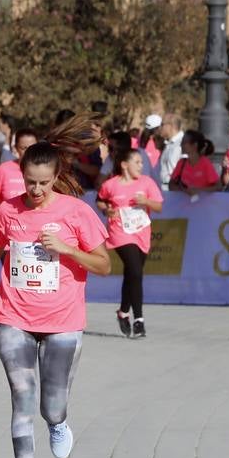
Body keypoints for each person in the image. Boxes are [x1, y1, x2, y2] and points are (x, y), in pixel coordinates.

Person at [0, 116, 111, 458]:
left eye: (43, 183)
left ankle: (58, 422)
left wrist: (67, 249)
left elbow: (104, 266)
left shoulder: (76, 212)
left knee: (51, 404)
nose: (35, 190)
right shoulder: (7, 211)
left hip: (63, 319)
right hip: (13, 314)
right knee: (21, 398)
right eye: (29, 181)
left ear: (56, 177)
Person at [98, 145, 163, 339]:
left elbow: (158, 206)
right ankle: (139, 320)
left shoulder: (147, 183)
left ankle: (123, 311)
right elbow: (100, 200)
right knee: (135, 271)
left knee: (133, 274)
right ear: (125, 165)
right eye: (137, 162)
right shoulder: (111, 185)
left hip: (141, 232)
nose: (141, 166)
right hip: (120, 232)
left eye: (142, 162)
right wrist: (106, 210)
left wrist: (146, 202)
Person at [0, 126, 39, 203]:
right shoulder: (3, 170)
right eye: (24, 148)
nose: (29, 152)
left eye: (32, 147)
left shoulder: (45, 170)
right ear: (15, 148)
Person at [157, 113, 185, 189]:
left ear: (170, 126)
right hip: (165, 188)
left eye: (162, 124)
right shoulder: (169, 143)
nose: (160, 128)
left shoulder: (183, 143)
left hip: (175, 190)